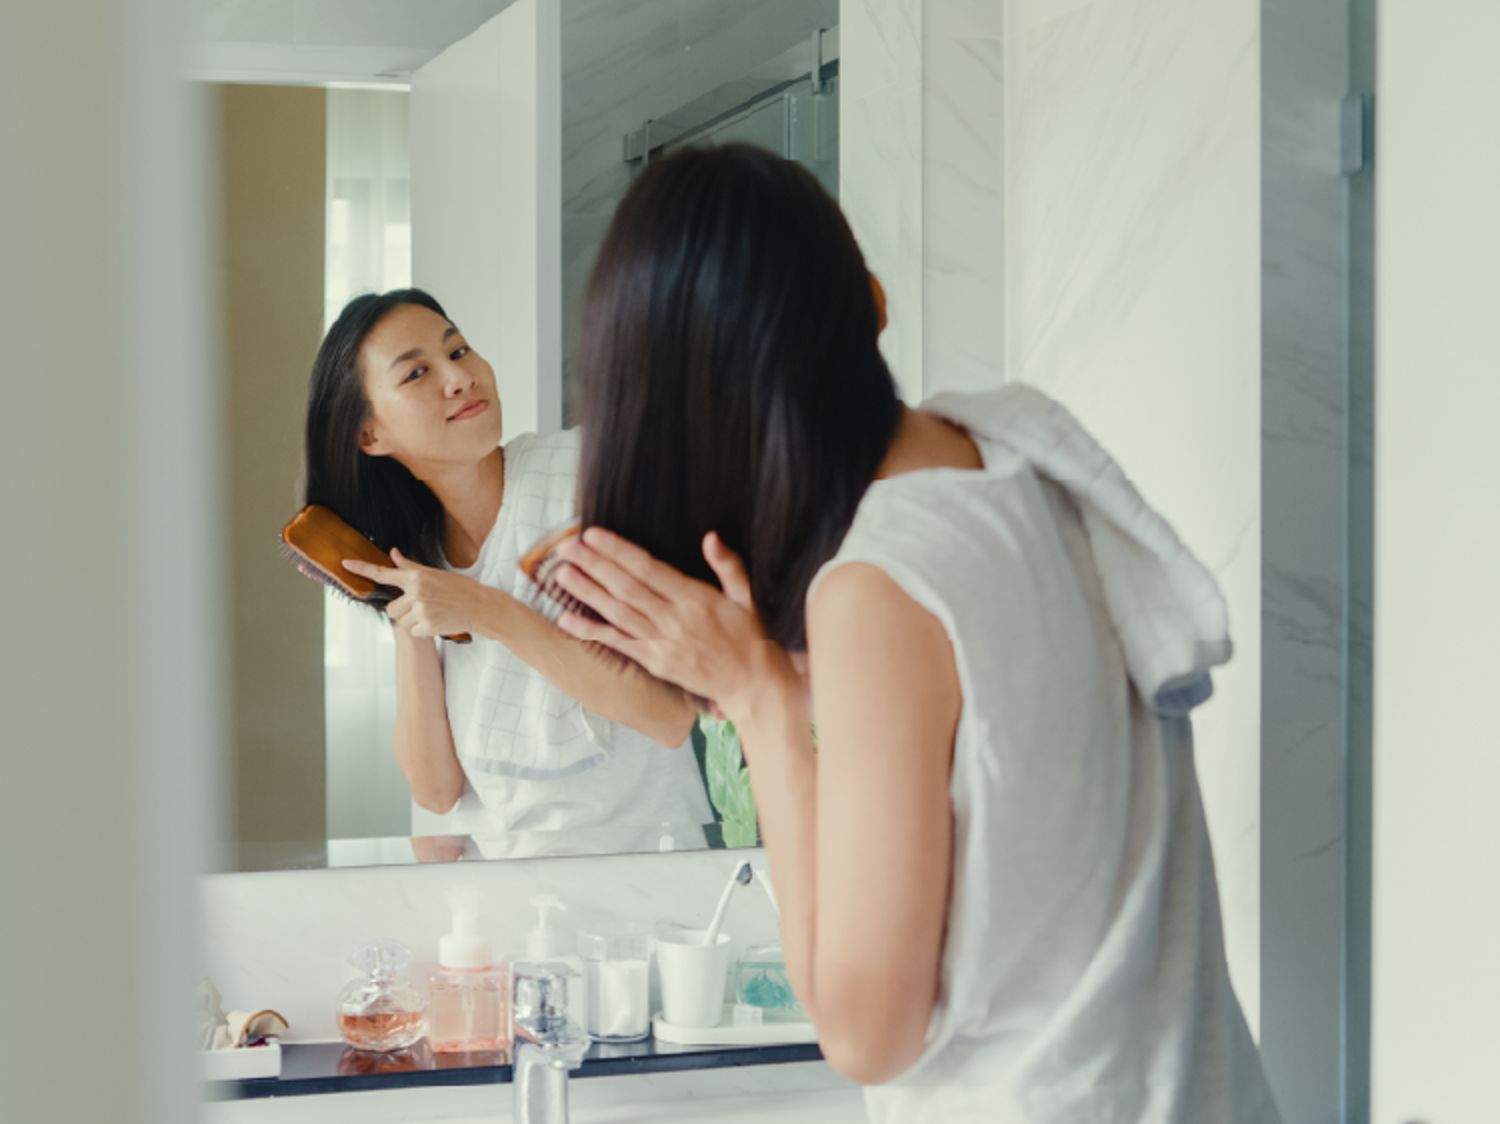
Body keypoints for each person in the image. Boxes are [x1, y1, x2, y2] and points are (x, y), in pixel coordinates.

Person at [554, 145, 1282, 1122]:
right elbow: (996, 751)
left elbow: (867, 1033)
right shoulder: (1008, 456)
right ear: (864, 303)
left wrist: (760, 703)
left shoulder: (876, 589)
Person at [301, 289, 712, 847]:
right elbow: (437, 791)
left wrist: (487, 610)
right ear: (370, 435)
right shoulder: (422, 566)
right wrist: (399, 607)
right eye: (417, 373)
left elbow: (666, 717)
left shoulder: (591, 478)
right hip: (508, 903)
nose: (458, 377)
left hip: (648, 885)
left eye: (459, 350)